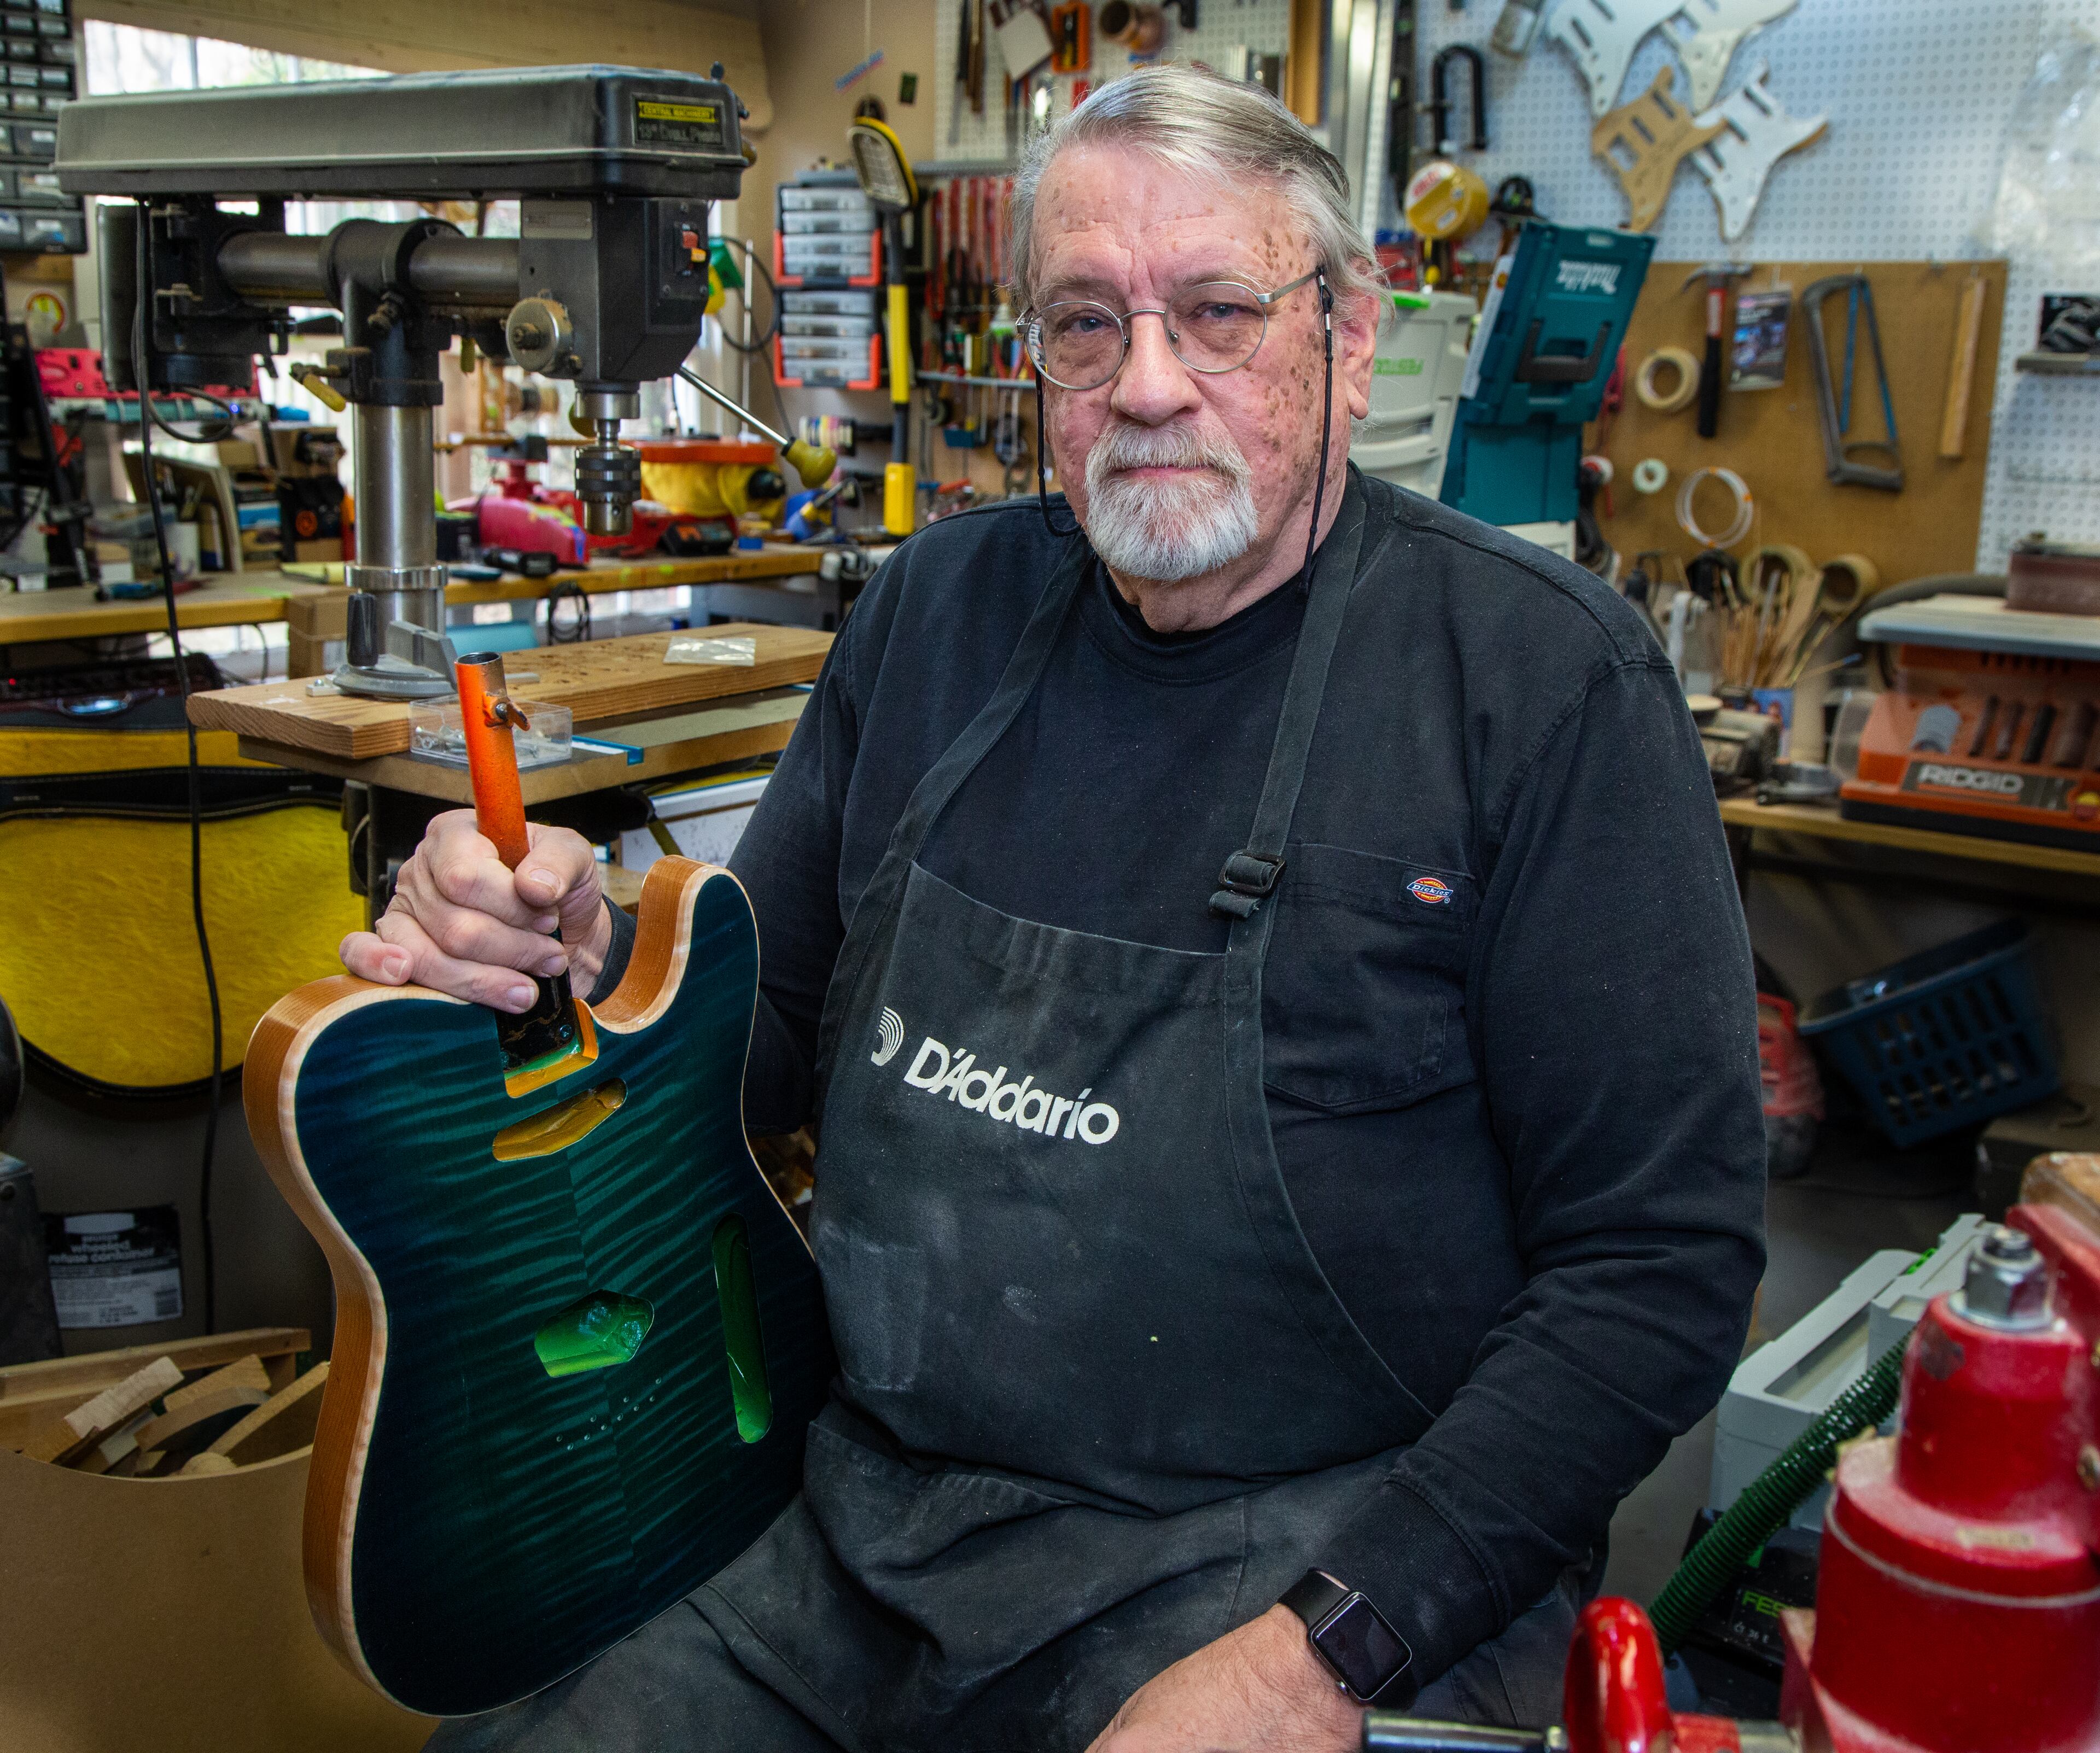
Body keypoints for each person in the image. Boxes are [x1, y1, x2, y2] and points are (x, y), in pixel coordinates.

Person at [346, 65, 1764, 1753]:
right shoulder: (940, 608)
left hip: (1304, 1562)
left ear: (1350, 333)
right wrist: (573, 976)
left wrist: (1320, 1655)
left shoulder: (1541, 686)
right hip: (865, 1532)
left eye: (1218, 314)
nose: (1149, 385)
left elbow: (1655, 1268)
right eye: (1085, 325)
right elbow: (764, 1047)